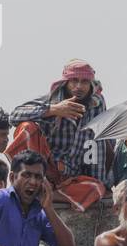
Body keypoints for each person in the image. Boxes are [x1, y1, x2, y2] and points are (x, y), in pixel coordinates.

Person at [7, 59, 109, 209]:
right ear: (66, 82)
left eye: (84, 82)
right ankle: (33, 183)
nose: (79, 87)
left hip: (69, 177)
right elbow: (14, 116)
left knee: (96, 187)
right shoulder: (53, 99)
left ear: (91, 85)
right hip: (45, 170)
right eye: (74, 81)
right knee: (27, 128)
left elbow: (96, 144)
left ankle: (48, 194)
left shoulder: (96, 105)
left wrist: (99, 182)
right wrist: (53, 110)